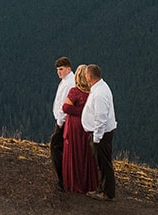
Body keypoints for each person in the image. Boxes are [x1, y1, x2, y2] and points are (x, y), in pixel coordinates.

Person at [61, 65, 100, 194]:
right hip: (88, 126)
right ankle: (88, 183)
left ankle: (73, 183)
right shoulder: (93, 92)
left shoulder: (75, 92)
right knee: (87, 154)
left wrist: (80, 112)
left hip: (74, 127)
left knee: (74, 154)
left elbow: (66, 108)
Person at [81, 64, 117, 200]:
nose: (85, 77)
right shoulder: (100, 88)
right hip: (102, 132)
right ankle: (101, 189)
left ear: (89, 76)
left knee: (104, 163)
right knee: (101, 163)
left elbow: (100, 117)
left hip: (101, 134)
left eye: (86, 75)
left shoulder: (100, 93)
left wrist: (96, 137)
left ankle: (107, 193)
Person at [48, 56, 73, 190]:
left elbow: (65, 104)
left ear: (69, 69)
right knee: (61, 148)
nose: (59, 72)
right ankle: (64, 177)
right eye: (58, 70)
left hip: (62, 121)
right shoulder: (65, 81)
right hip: (61, 120)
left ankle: (62, 179)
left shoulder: (70, 83)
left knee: (55, 146)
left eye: (61, 69)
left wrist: (60, 121)